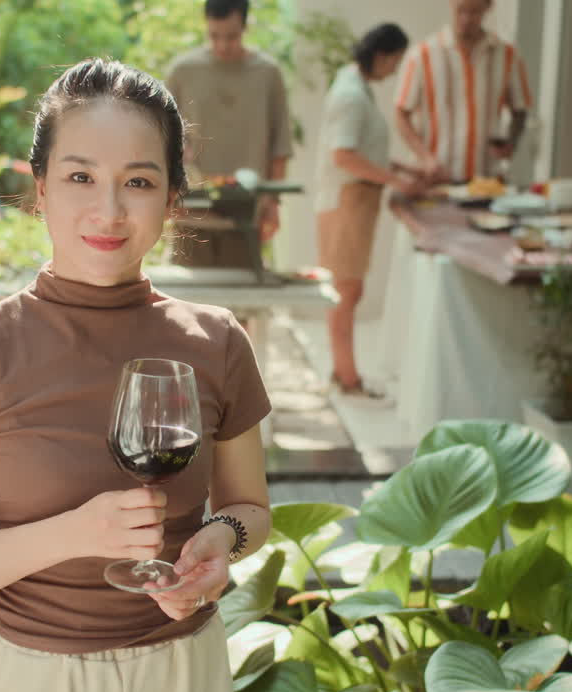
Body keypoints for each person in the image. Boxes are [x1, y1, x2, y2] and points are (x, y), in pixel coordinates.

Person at [0, 58, 273, 692]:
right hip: (28, 682)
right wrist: (77, 533)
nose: (108, 209)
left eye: (138, 181)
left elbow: (249, 507)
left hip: (180, 675)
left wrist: (220, 542)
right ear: (40, 188)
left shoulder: (217, 343)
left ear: (172, 198)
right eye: (80, 177)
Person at [314, 23, 419, 397]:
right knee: (346, 291)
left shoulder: (355, 85)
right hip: (348, 201)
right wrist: (396, 180)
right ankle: (347, 377)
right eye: (395, 62)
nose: (394, 71)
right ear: (383, 55)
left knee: (347, 289)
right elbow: (344, 155)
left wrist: (401, 169)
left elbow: (360, 149)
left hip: (353, 200)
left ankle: (344, 373)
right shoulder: (352, 95)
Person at [165, 0, 293, 268]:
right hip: (191, 214)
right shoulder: (183, 72)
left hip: (246, 215)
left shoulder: (268, 74)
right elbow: (162, 141)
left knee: (241, 305)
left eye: (232, 37)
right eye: (214, 36)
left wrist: (273, 203)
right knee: (188, 305)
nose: (223, 45)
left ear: (246, 27)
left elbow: (280, 146)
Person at [394, 0, 533, 183]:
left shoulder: (508, 55)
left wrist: (511, 141)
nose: (466, 19)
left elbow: (520, 109)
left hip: (486, 180)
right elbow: (401, 114)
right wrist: (425, 158)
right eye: (461, 10)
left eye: (474, 12)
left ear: (489, 7)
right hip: (433, 180)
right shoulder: (422, 55)